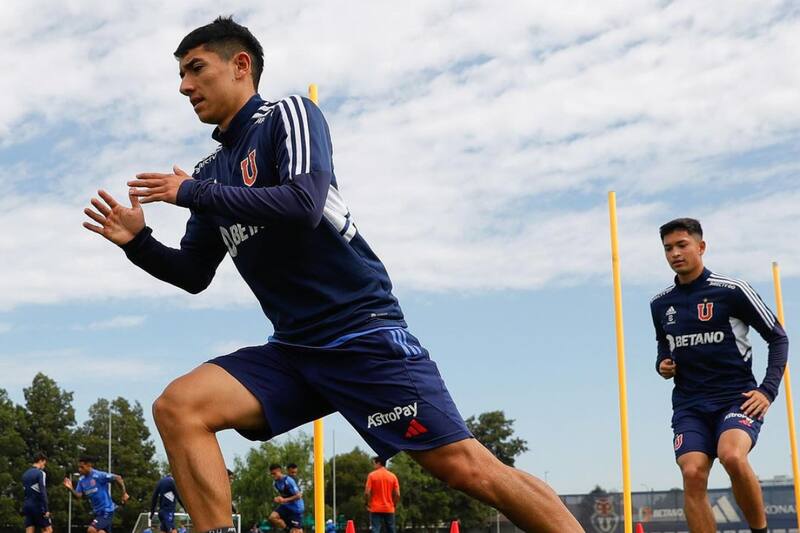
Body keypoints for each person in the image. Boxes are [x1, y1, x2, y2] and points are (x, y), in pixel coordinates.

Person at [81, 15, 583, 533]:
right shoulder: (210, 172)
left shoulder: (289, 115)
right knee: (179, 407)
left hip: (358, 332)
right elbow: (192, 273)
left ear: (240, 65)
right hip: (294, 350)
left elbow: (304, 202)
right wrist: (138, 242)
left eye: (195, 68)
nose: (185, 86)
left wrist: (191, 193)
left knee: (466, 468)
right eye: (181, 75)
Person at [650, 218, 789, 533]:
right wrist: (663, 363)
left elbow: (778, 337)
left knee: (732, 456)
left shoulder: (732, 291)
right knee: (692, 473)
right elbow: (663, 343)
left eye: (682, 245)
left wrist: (767, 390)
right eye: (668, 248)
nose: (675, 253)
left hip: (736, 399)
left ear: (701, 247)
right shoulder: (660, 304)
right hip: (689, 405)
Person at [63, 456, 130, 533]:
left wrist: (124, 493)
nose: (79, 470)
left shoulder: (98, 475)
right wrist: (70, 488)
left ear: (89, 465)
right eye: (79, 467)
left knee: (91, 530)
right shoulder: (81, 480)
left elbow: (118, 478)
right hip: (97, 512)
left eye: (82, 467)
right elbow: (79, 495)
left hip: (107, 510)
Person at [364, 457, 399, 533]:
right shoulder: (393, 476)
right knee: (391, 529)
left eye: (374, 463)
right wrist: (394, 504)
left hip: (375, 507)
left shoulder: (372, 475)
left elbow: (367, 492)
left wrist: (368, 503)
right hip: (389, 507)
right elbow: (397, 494)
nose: (373, 465)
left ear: (379, 463)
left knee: (375, 529)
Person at [268, 464, 303, 533]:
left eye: (274, 473)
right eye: (271, 474)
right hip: (286, 506)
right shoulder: (275, 483)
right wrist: (277, 498)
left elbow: (299, 496)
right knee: (272, 517)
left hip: (296, 508)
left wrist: (284, 500)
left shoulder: (289, 481)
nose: (273, 475)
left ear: (279, 471)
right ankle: (288, 530)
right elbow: (283, 495)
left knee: (297, 531)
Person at [22, 452, 52, 533]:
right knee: (48, 530)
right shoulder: (41, 473)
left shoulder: (25, 474)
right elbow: (42, 491)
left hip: (27, 506)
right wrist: (46, 509)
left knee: (29, 530)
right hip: (38, 506)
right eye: (44, 464)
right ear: (40, 461)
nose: (44, 466)